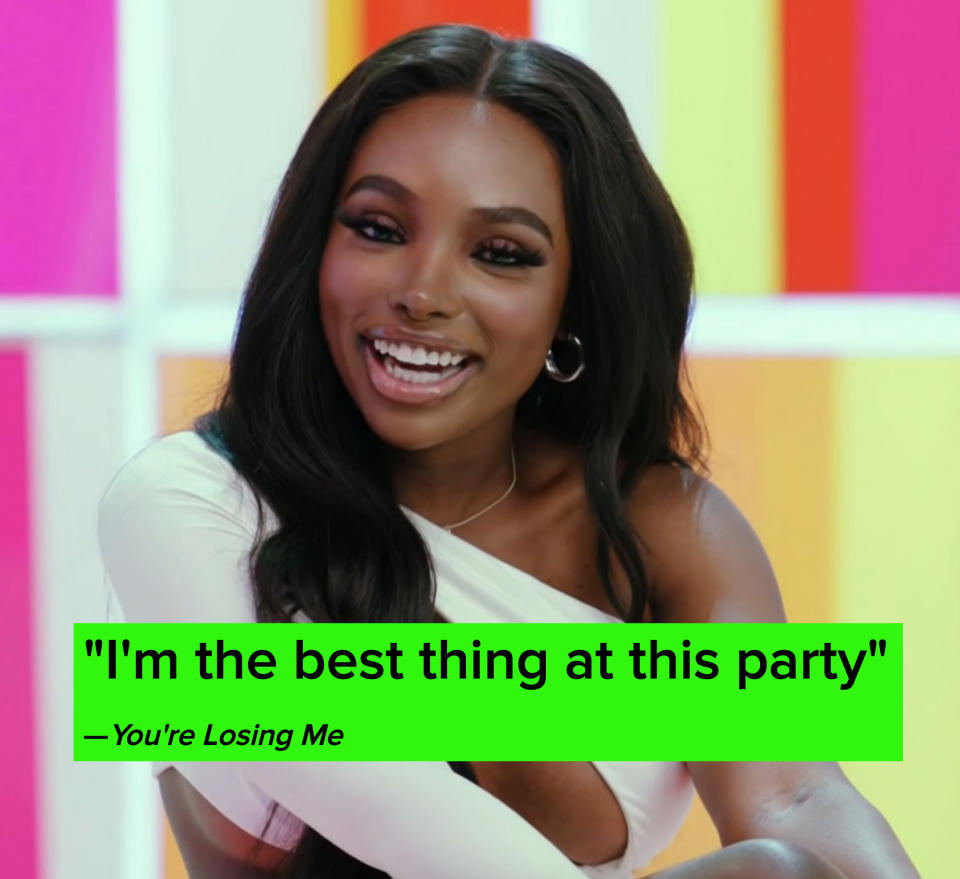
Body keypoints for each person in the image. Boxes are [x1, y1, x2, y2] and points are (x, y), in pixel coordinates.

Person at [98, 23, 920, 879]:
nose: (422, 293)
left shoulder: (660, 526)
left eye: (500, 254)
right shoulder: (183, 502)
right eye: (379, 229)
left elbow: (793, 791)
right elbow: (366, 786)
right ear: (315, 250)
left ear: (572, 303)